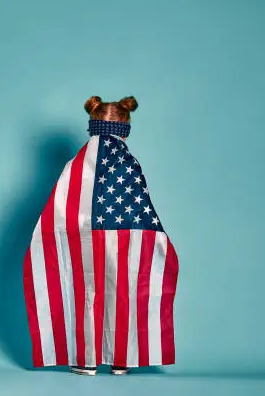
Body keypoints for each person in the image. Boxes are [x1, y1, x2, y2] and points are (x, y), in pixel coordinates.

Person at [22, 96, 179, 376]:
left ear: (92, 123)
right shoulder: (129, 163)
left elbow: (60, 208)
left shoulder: (76, 164)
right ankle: (122, 359)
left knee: (84, 292)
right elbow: (143, 206)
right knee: (124, 290)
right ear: (125, 126)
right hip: (127, 240)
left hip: (80, 239)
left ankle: (86, 358)